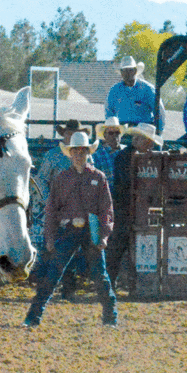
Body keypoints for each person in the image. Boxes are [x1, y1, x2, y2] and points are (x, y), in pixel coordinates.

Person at [24, 132, 117, 328]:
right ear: (70, 153)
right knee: (52, 275)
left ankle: (111, 317)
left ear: (87, 153)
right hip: (67, 230)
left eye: (82, 151)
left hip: (91, 231)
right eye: (75, 151)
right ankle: (33, 317)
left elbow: (106, 209)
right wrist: (49, 237)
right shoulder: (61, 179)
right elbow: (51, 210)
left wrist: (104, 235)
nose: (78, 155)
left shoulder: (98, 178)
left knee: (100, 276)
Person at [105, 122, 162, 289]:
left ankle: (125, 283)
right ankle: (110, 283)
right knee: (117, 247)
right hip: (124, 208)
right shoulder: (125, 157)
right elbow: (124, 184)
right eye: (139, 138)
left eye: (143, 139)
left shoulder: (143, 158)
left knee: (124, 248)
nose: (139, 140)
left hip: (134, 208)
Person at [104, 56, 164, 133]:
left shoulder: (148, 89)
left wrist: (159, 132)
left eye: (130, 70)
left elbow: (160, 112)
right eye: (124, 71)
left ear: (135, 71)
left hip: (143, 133)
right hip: (122, 132)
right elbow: (108, 113)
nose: (126, 73)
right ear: (121, 72)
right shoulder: (114, 91)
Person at [92, 117, 126, 187]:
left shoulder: (126, 151)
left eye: (117, 133)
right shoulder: (97, 155)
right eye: (111, 133)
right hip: (106, 194)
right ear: (105, 135)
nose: (115, 136)